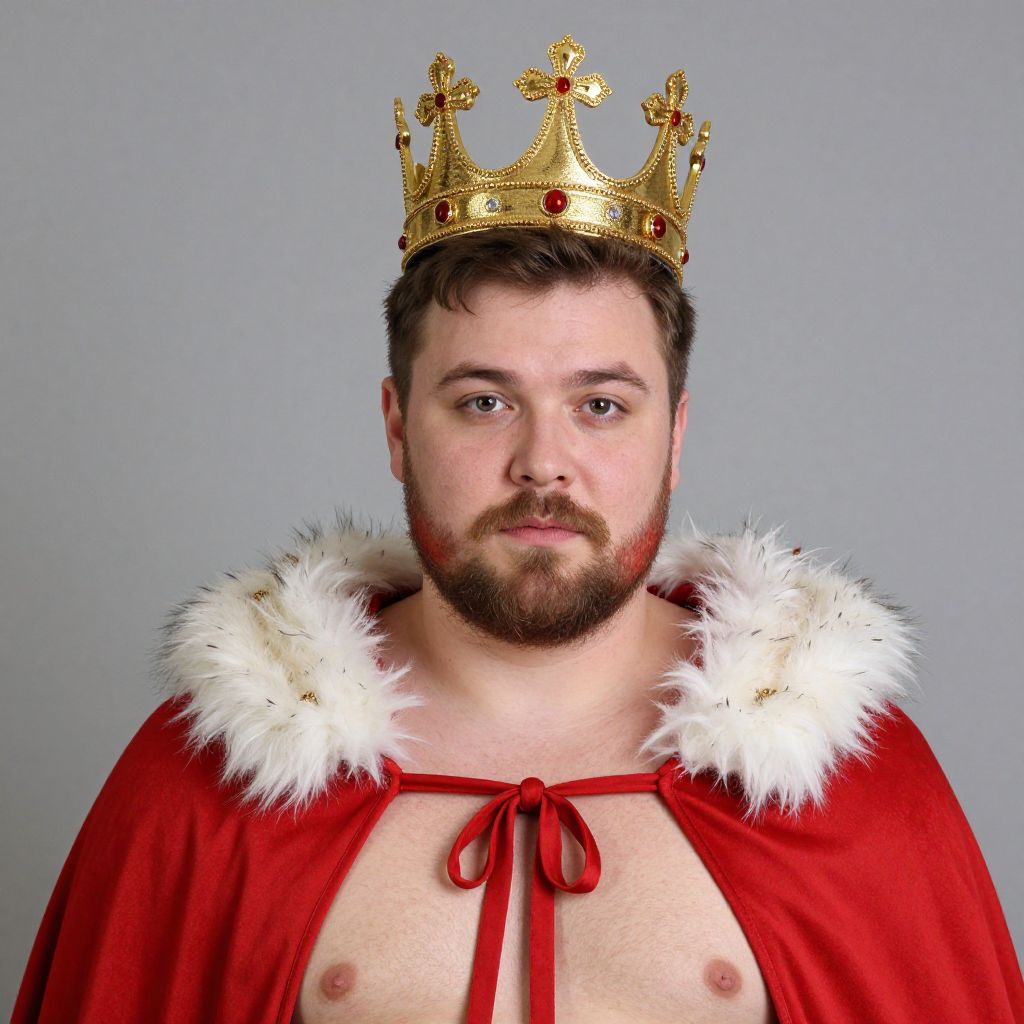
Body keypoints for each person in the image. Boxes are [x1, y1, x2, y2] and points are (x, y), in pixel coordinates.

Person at [12, 34, 1023, 1024]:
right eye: (485, 401)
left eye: (600, 405)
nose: (543, 463)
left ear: (673, 437)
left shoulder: (857, 793)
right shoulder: (203, 794)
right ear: (398, 428)